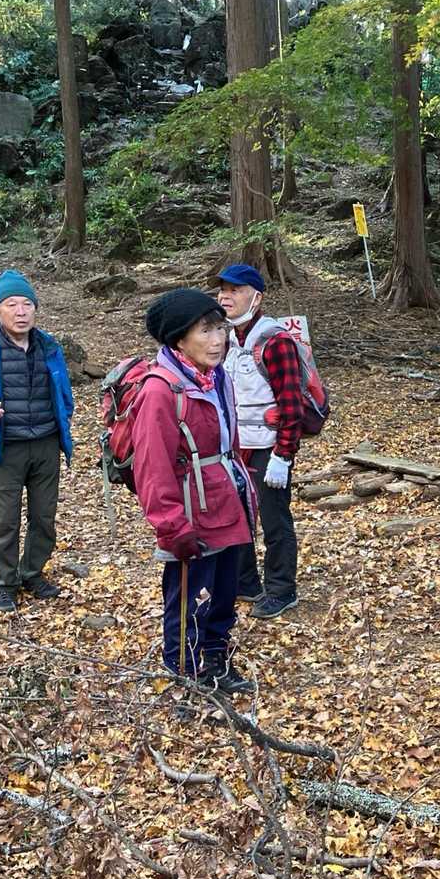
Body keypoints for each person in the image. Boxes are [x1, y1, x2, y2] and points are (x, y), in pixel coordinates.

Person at [132, 289, 257, 693]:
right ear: (179, 339)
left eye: (220, 329)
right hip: (190, 510)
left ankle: (216, 663)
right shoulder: (160, 391)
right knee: (187, 597)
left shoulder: (218, 378)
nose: (217, 340)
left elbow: (229, 442)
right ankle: (184, 675)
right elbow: (152, 467)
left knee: (224, 592)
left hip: (228, 500)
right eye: (205, 331)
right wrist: (172, 526)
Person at [0, 270, 75, 614]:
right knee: (5, 521)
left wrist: (64, 418)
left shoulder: (49, 346)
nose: (21, 312)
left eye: (27, 304)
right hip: (5, 447)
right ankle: (6, 583)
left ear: (35, 309)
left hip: (46, 444)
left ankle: (32, 573)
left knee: (44, 517)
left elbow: (64, 393)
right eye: (11, 304)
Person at [216, 263, 304, 620]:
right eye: (223, 290)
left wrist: (283, 455)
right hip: (236, 447)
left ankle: (282, 590)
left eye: (235, 290)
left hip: (269, 448)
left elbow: (291, 404)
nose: (226, 297)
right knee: (237, 516)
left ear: (256, 296)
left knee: (274, 520)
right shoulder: (226, 340)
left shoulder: (276, 341)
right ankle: (246, 583)